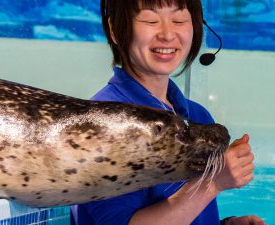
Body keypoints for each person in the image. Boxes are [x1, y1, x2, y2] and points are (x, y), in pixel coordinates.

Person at [70, 0, 266, 225]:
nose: (167, 34)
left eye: (179, 20)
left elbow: (185, 213)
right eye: (150, 20)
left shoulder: (197, 116)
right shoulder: (103, 123)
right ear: (115, 30)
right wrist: (212, 185)